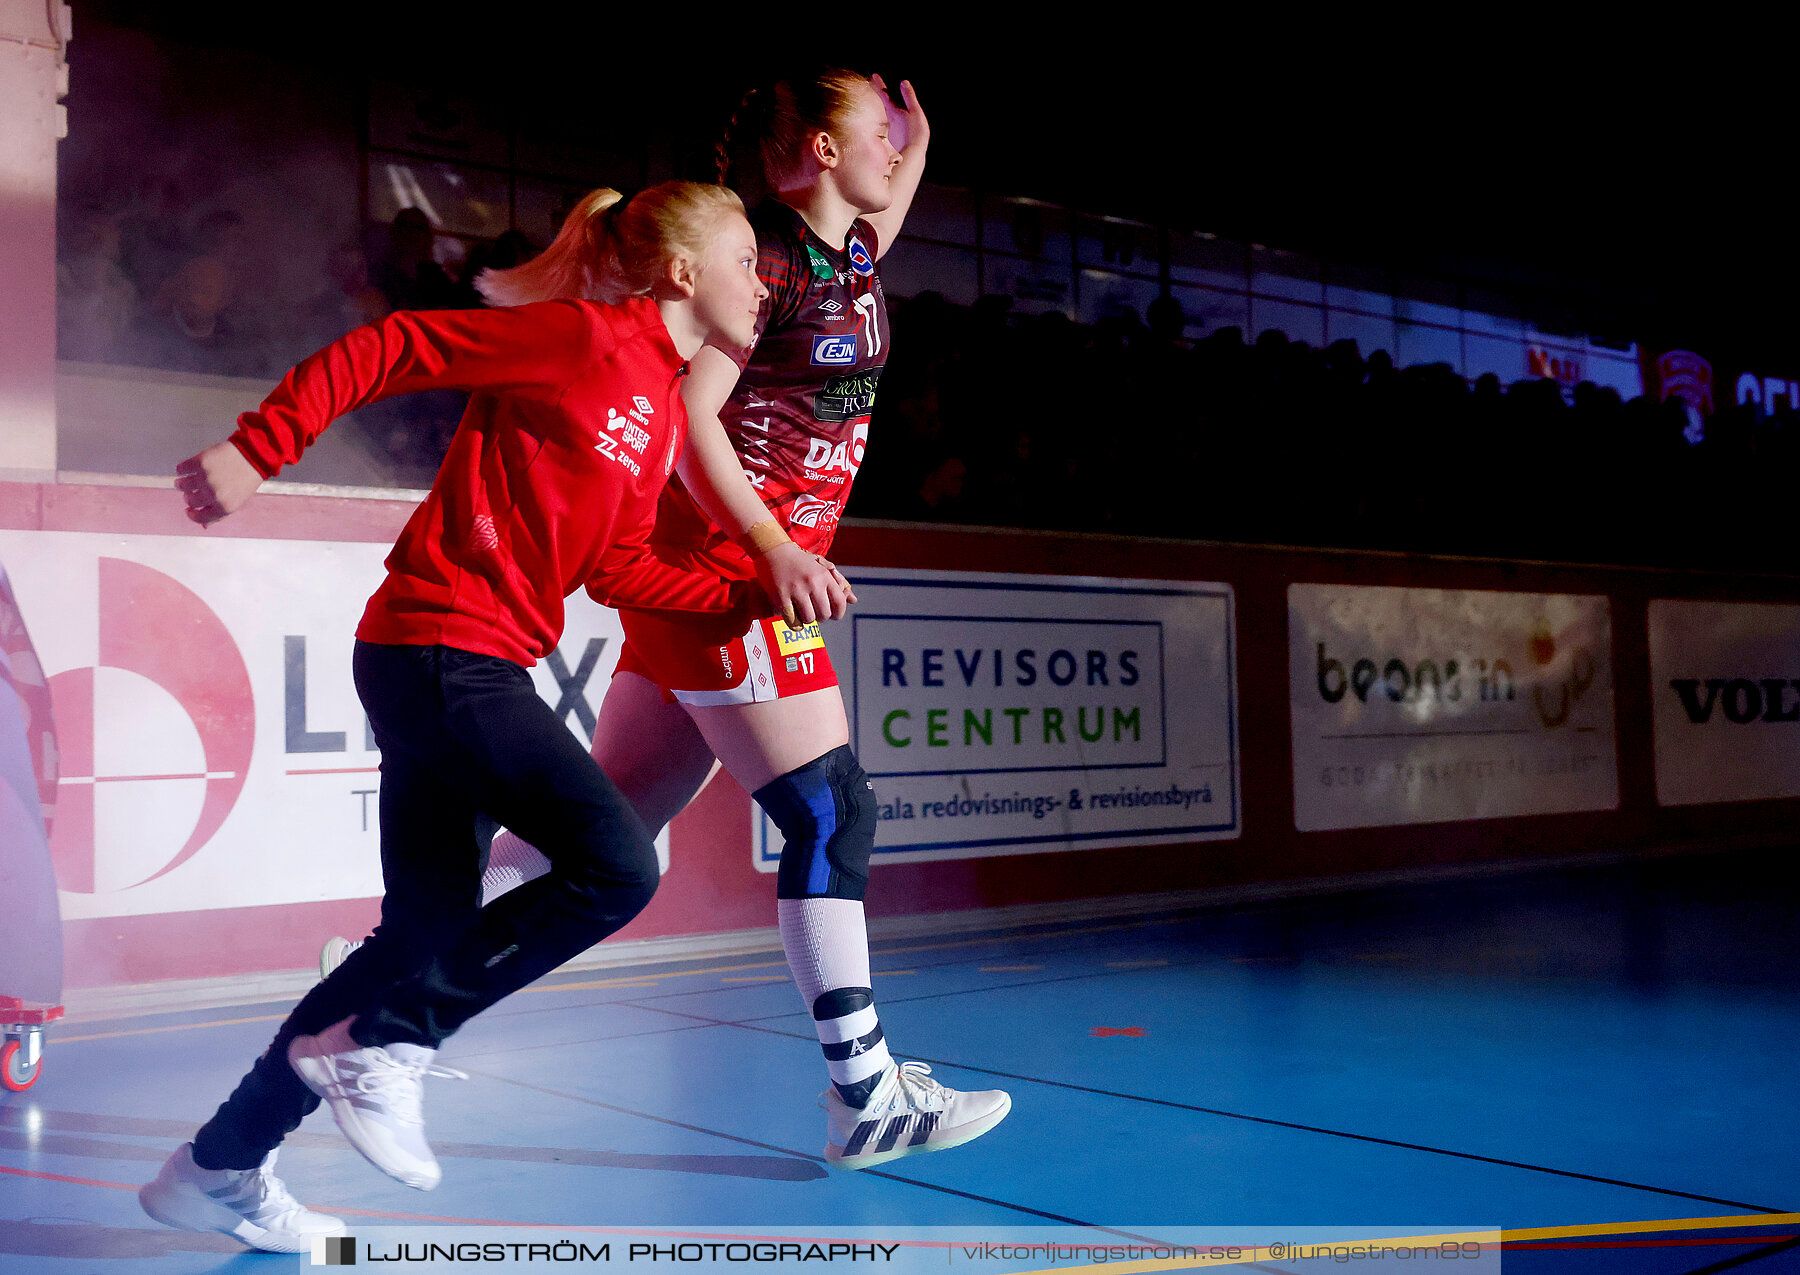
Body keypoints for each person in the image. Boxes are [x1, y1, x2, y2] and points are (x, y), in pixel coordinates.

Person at [327, 68, 1011, 1170]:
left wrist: (914, 141)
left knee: (608, 829)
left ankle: (393, 967)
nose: (894, 149)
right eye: (873, 133)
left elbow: (880, 206)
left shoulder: (852, 255)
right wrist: (774, 547)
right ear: (822, 151)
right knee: (835, 819)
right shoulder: (771, 264)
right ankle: (867, 1090)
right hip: (729, 581)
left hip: (724, 582)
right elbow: (692, 417)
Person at [140, 181, 768, 1253]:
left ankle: (219, 1164)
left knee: (421, 931)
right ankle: (391, 1042)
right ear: (682, 274)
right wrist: (261, 446)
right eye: (750, 256)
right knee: (617, 867)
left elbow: (615, 564)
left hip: (460, 658)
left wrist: (755, 590)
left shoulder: (658, 404)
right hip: (441, 649)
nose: (764, 281)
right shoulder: (581, 340)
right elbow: (396, 346)